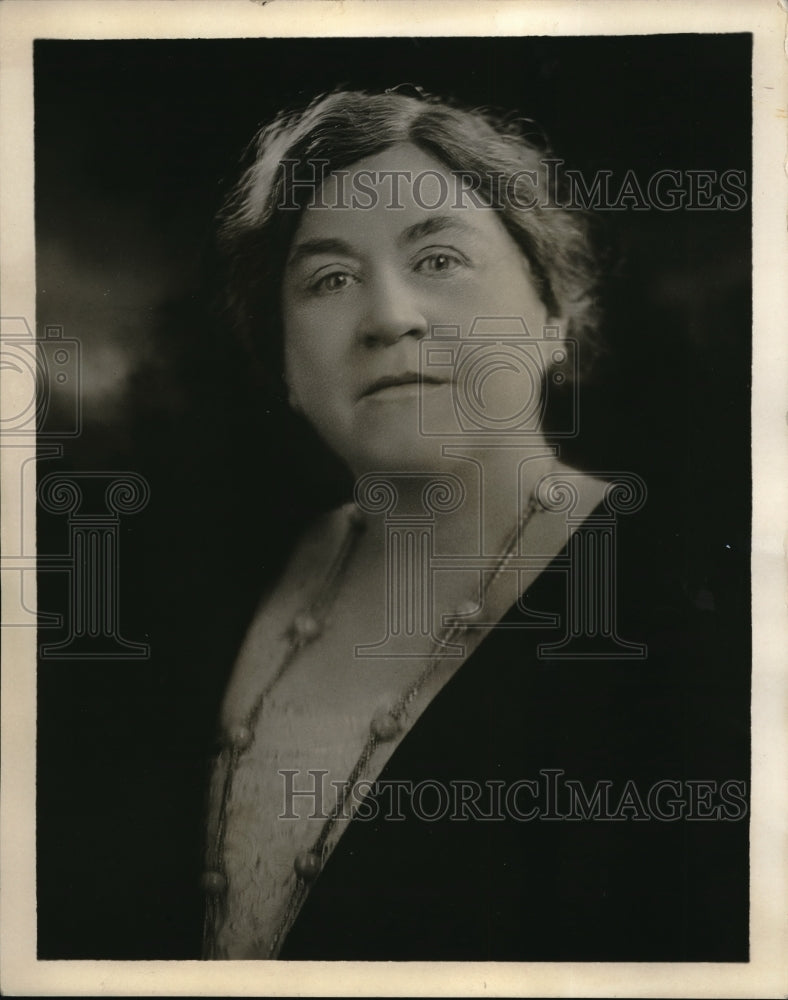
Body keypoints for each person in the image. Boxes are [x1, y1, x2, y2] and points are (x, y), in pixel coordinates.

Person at [201, 88, 749, 961]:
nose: (389, 316)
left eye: (440, 258)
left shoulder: (694, 611)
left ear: (551, 317)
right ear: (285, 369)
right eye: (329, 280)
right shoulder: (219, 587)